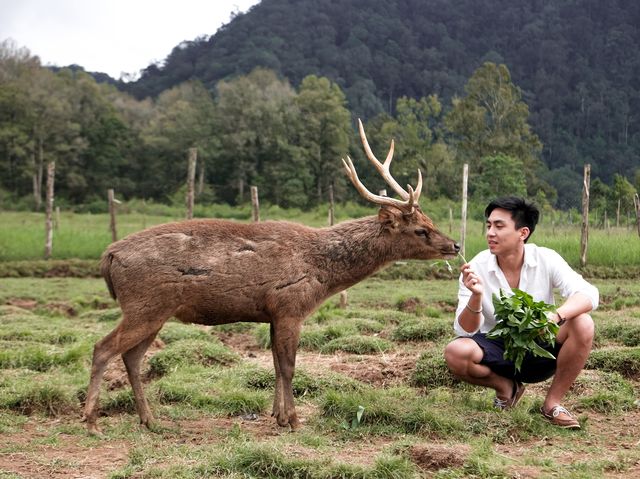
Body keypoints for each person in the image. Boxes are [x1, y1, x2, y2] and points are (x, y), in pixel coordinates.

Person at [444, 196, 598, 429]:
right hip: (498, 351)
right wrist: (475, 296)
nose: (490, 233)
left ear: (522, 233)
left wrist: (555, 316)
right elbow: (464, 329)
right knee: (455, 351)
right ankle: (507, 388)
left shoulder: (545, 258)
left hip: (541, 347)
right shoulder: (476, 267)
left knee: (583, 323)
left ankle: (552, 404)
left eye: (499, 226)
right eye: (488, 225)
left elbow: (588, 293)